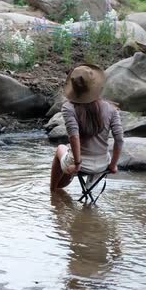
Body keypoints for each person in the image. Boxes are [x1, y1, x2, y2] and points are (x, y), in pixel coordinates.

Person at [50, 64, 124, 193]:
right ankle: (86, 194)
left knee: (61, 148)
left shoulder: (69, 108)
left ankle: (52, 193)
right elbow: (119, 139)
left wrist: (78, 164)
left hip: (80, 165)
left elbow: (74, 136)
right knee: (69, 149)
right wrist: (113, 165)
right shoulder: (111, 108)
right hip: (102, 164)